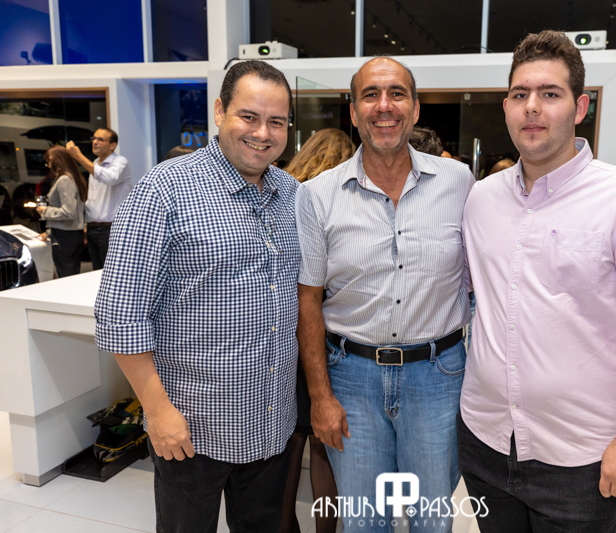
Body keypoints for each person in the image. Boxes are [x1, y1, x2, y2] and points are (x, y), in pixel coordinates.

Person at [458, 31, 616, 532]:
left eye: (550, 93)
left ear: (580, 107)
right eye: (520, 94)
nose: (532, 107)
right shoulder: (481, 199)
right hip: (486, 442)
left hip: (584, 460)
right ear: (506, 107)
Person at [94, 60, 300, 532]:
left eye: (276, 121)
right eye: (249, 116)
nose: (263, 133)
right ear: (219, 111)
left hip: (271, 423)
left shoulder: (291, 193)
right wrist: (157, 412)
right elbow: (120, 314)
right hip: (191, 430)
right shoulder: (163, 190)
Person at [295, 57, 474, 532]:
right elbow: (307, 300)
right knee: (363, 522)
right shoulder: (317, 195)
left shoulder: (459, 183)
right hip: (351, 377)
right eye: (370, 95)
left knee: (431, 519)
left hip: (438, 376)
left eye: (397, 93)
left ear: (415, 108)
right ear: (353, 111)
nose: (384, 106)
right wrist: (320, 396)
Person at [281, 128, 355, 533]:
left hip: (285, 334)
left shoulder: (284, 192)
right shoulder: (338, 197)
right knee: (326, 446)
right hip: (326, 336)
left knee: (289, 448)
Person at [66, 127, 133, 270]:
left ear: (112, 145)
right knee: (97, 271)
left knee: (113, 271)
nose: (95, 142)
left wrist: (79, 156)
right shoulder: (95, 164)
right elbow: (93, 199)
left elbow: (110, 178)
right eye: (94, 138)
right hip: (93, 227)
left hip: (112, 228)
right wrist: (87, 224)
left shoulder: (120, 162)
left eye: (100, 139)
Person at [36, 145, 87, 277]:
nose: (48, 165)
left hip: (65, 236)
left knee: (66, 276)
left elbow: (69, 212)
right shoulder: (74, 178)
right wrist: (48, 232)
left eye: (49, 161)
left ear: (55, 160)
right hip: (71, 234)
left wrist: (45, 211)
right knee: (72, 275)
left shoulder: (65, 179)